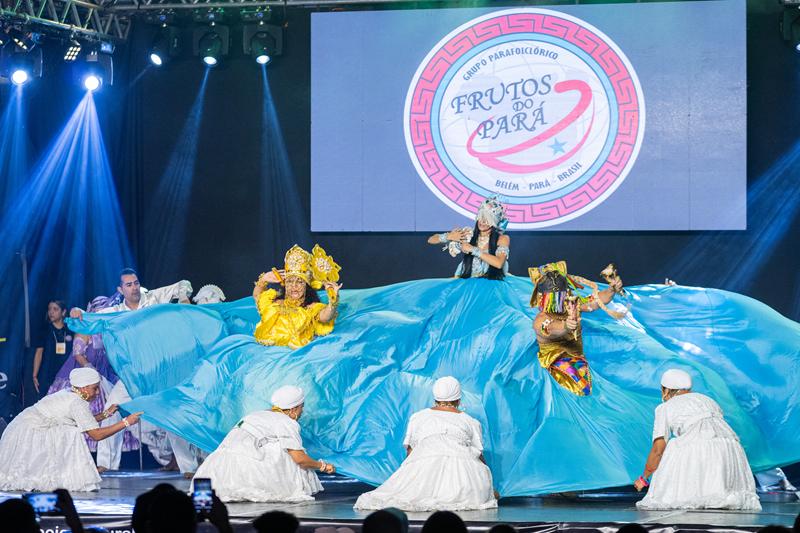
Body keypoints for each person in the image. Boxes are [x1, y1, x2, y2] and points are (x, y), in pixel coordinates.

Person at [70, 268, 196, 475]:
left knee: (173, 414)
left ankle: (189, 467)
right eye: (128, 285)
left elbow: (184, 284)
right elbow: (89, 318)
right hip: (134, 374)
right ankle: (106, 463)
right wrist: (77, 311)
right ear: (121, 289)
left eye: (136, 283)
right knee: (111, 408)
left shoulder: (153, 298)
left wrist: (183, 298)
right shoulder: (116, 312)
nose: (134, 287)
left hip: (160, 371)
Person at [355, 376, 497, 511]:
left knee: (402, 495)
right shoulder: (470, 421)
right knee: (475, 492)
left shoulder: (418, 417)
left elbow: (410, 453)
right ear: (458, 399)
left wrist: (407, 477)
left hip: (424, 471)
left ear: (435, 396)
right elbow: (478, 454)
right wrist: (489, 488)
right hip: (463, 481)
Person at [634, 369, 761, 510]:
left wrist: (644, 478)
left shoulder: (665, 408)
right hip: (730, 450)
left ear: (666, 389)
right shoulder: (709, 400)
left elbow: (658, 450)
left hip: (698, 448)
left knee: (674, 444)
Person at [0, 367, 141, 491]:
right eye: (95, 388)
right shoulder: (76, 402)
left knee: (70, 429)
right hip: (27, 432)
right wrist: (126, 422)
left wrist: (106, 414)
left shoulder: (69, 393)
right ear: (84, 388)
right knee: (72, 432)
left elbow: (84, 421)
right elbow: (96, 435)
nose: (98, 392)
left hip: (21, 428)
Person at [192, 385, 335, 502]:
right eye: (301, 407)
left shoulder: (254, 415)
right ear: (293, 409)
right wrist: (323, 466)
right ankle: (277, 487)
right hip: (244, 472)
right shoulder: (286, 422)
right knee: (288, 450)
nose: (302, 411)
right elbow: (300, 459)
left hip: (212, 472)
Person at [529, 261, 624, 396]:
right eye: (555, 297)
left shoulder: (572, 305)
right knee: (581, 388)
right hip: (556, 362)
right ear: (544, 297)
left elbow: (596, 301)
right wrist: (565, 326)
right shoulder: (541, 319)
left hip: (579, 359)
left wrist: (611, 290)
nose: (560, 300)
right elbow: (549, 328)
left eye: (562, 294)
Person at [253, 244, 342, 348]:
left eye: (299, 282)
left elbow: (325, 317)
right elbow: (257, 296)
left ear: (306, 286)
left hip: (296, 354)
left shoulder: (311, 308)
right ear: (285, 284)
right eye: (290, 281)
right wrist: (263, 280)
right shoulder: (276, 302)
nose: (294, 286)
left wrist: (333, 300)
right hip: (266, 351)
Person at [427, 196, 510, 279]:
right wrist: (449, 236)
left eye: (487, 219)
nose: (482, 222)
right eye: (481, 217)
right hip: (467, 282)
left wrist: (472, 249)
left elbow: (499, 263)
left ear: (494, 222)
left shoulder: (502, 239)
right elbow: (431, 240)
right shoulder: (468, 234)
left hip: (492, 282)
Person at [32, 300, 73, 400]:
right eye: (49, 309)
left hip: (66, 374)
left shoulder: (70, 330)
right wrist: (34, 375)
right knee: (45, 402)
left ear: (63, 312)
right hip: (47, 374)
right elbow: (39, 352)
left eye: (55, 309)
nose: (51, 312)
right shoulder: (44, 330)